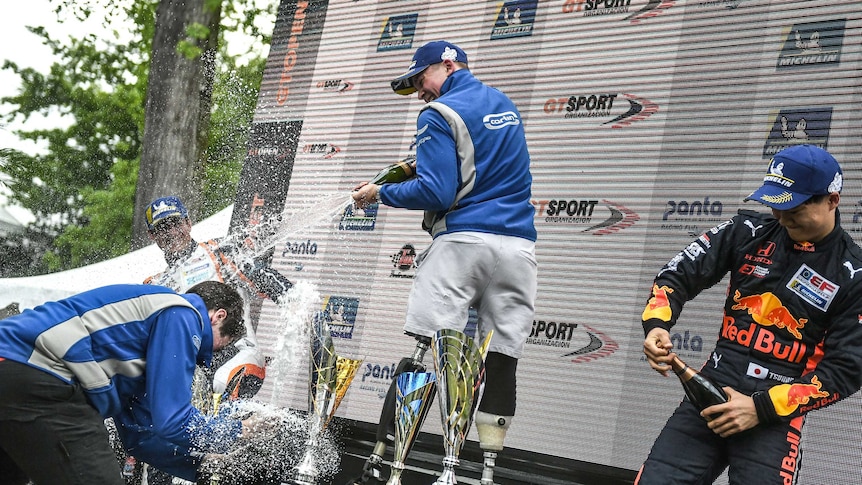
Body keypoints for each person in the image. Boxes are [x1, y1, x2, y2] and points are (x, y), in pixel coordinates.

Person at [351, 40, 538, 484]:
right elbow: (482, 168)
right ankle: (485, 476)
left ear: (449, 64)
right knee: (501, 361)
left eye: (421, 79)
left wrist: (381, 193)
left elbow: (437, 192)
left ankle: (385, 467)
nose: (419, 92)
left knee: (423, 352)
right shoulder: (504, 104)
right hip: (518, 250)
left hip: (462, 245)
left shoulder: (438, 113)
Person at [636, 144, 862, 484]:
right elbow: (677, 274)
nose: (781, 218)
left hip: (774, 417)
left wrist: (760, 408)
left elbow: (846, 370)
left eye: (794, 208)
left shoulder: (853, 275)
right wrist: (657, 325)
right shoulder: (747, 231)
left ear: (832, 200)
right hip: (708, 396)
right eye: (775, 205)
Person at [0, 281, 266, 485]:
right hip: (38, 372)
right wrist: (238, 430)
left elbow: (140, 438)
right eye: (222, 345)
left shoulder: (138, 344)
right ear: (218, 316)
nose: (211, 357)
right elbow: (173, 421)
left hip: (14, 370)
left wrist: (202, 467)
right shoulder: (183, 313)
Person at [139, 195, 295, 484]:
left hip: (235, 355)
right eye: (161, 229)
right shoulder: (154, 284)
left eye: (175, 224)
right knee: (166, 429)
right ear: (152, 236)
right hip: (191, 372)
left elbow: (269, 280)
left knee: (219, 386)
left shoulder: (219, 253)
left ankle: (223, 462)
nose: (170, 233)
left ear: (188, 223)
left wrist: (294, 301)